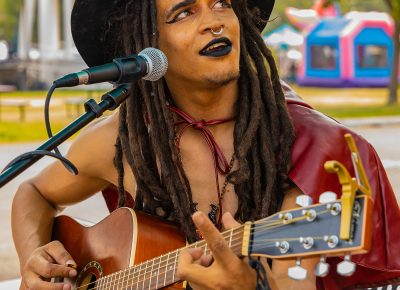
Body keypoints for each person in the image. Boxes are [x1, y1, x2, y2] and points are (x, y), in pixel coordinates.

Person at [11, 0, 400, 289]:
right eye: (184, 13)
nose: (213, 22)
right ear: (147, 46)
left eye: (221, 4)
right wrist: (34, 256)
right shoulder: (127, 138)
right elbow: (33, 192)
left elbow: (292, 280)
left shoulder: (313, 148)